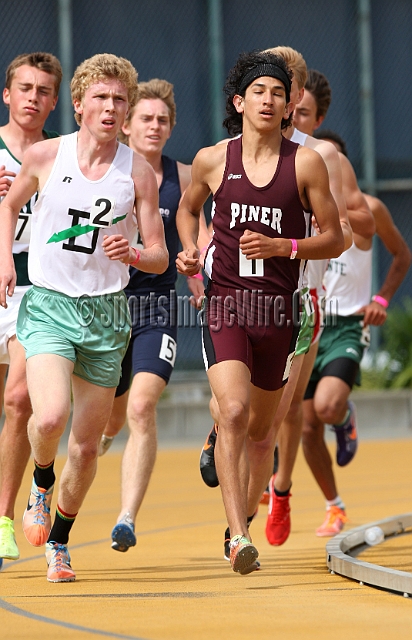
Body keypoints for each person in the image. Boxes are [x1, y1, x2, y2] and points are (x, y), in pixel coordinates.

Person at [0, 53, 168, 582]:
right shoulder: (48, 156)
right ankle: (41, 482)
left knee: (87, 445)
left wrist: (135, 253)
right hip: (48, 304)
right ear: (78, 105)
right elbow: (8, 205)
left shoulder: (138, 171)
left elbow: (160, 254)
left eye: (121, 99)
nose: (112, 108)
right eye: (101, 98)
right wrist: (5, 258)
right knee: (47, 416)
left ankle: (60, 543)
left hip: (106, 315)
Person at [176, 49, 344, 575]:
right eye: (259, 92)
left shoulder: (306, 162)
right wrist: (193, 257)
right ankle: (238, 538)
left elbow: (336, 238)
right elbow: (186, 208)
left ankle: (240, 517)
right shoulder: (212, 158)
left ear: (289, 102)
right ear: (239, 101)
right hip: (226, 303)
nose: (269, 100)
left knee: (260, 434)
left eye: (278, 92)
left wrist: (287, 248)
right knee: (232, 411)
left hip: (280, 312)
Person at [96, 78, 209, 554]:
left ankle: (126, 517)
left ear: (172, 125)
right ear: (126, 124)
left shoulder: (182, 177)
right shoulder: (102, 172)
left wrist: (196, 270)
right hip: (103, 306)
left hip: (154, 306)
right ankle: (105, 430)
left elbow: (199, 234)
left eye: (163, 119)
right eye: (145, 118)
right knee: (115, 412)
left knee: (143, 406)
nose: (155, 126)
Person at [304, 126, 411, 535]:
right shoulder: (301, 210)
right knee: (308, 426)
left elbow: (401, 255)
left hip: (347, 324)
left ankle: (345, 414)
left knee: (328, 408)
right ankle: (334, 505)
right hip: (306, 321)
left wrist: (381, 299)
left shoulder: (369, 211)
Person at [0, 52, 62, 568]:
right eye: (24, 88)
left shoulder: (60, 157)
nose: (32, 97)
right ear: (7, 94)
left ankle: (4, 520)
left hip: (30, 285)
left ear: (56, 100)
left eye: (43, 90)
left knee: (19, 399)